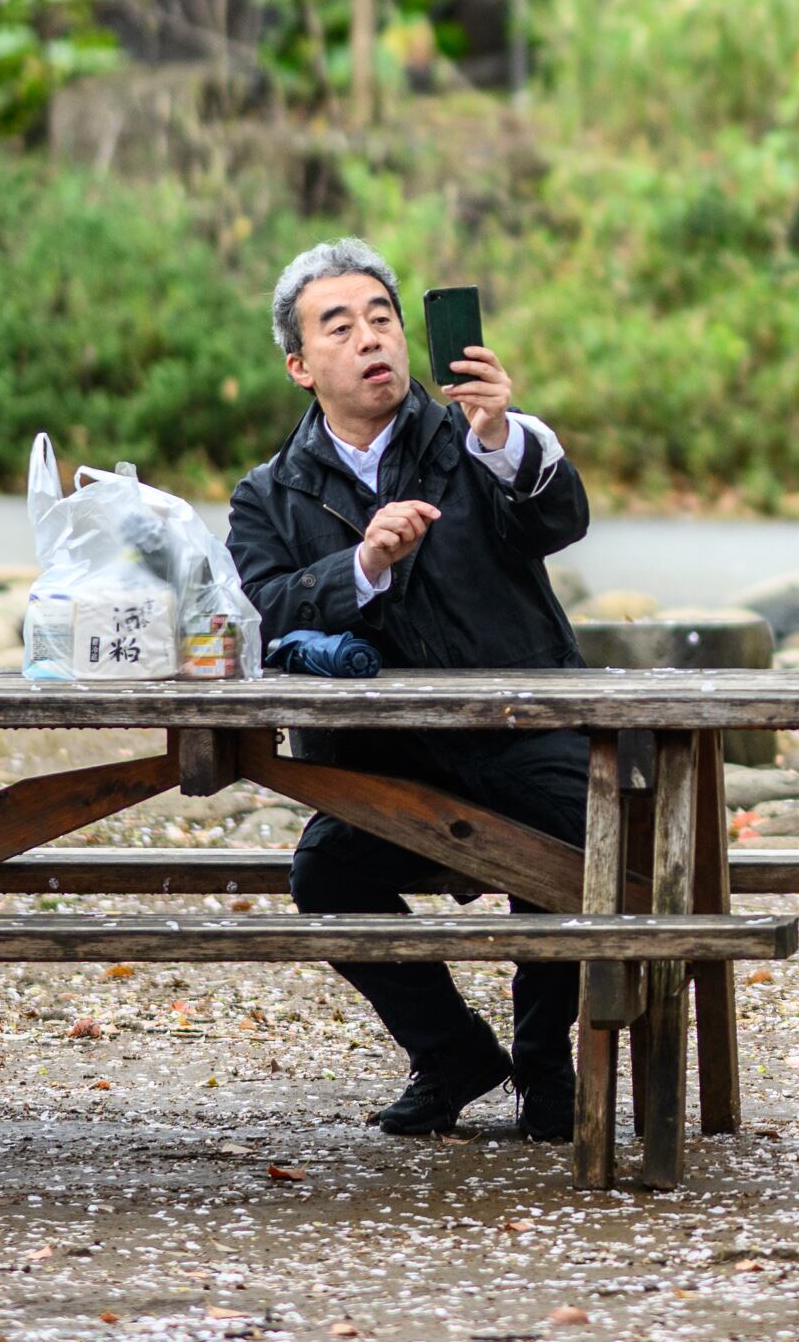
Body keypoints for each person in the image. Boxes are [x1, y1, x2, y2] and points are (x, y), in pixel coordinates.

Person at [227, 237, 596, 1138]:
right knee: (325, 874)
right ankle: (453, 1054)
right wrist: (361, 564)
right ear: (299, 365)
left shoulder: (475, 439)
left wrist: (505, 433)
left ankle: (548, 1065)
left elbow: (563, 518)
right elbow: (265, 616)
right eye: (340, 326)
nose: (370, 339)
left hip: (519, 728)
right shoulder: (267, 494)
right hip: (379, 756)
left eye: (382, 318)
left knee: (582, 840)